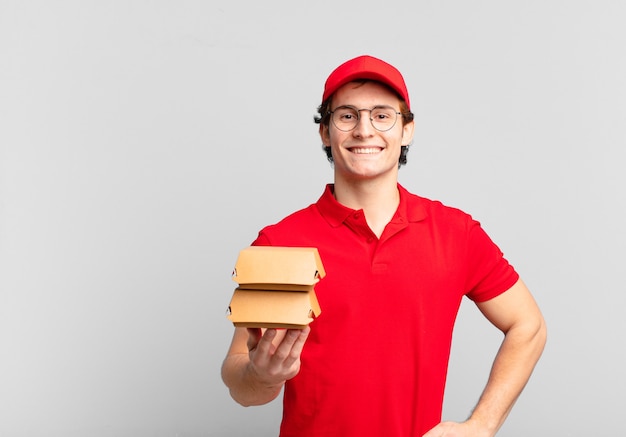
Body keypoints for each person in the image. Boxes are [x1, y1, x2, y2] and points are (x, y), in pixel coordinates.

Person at [221, 55, 547, 437]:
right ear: (325, 132)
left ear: (406, 130)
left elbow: (529, 326)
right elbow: (239, 378)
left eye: (382, 115)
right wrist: (261, 376)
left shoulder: (456, 233)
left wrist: (482, 425)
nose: (364, 130)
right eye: (346, 115)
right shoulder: (278, 243)